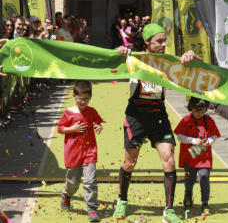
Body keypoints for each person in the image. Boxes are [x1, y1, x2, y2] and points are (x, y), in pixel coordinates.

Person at [113, 24, 203, 223]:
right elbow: (109, 61)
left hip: (159, 115)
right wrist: (119, 51)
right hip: (136, 115)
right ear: (147, 43)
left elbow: (203, 68)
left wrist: (192, 56)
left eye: (165, 41)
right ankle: (122, 199)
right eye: (159, 42)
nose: (163, 45)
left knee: (169, 161)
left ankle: (168, 210)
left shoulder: (168, 62)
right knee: (129, 163)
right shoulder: (133, 58)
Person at [58, 81, 104, 222]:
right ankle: (66, 194)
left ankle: (92, 208)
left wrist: (98, 127)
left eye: (86, 99)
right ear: (74, 96)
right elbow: (60, 129)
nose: (83, 101)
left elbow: (97, 122)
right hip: (73, 153)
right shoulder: (68, 112)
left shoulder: (92, 111)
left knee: (90, 181)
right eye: (80, 98)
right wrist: (73, 129)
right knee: (73, 182)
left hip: (89, 151)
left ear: (90, 97)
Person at [174, 97, 220, 216]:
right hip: (189, 158)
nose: (199, 114)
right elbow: (179, 136)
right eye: (196, 111)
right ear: (190, 108)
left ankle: (205, 203)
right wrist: (193, 140)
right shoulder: (186, 120)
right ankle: (188, 194)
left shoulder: (209, 120)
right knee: (189, 180)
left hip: (204, 157)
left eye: (202, 111)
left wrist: (209, 141)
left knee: (204, 178)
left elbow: (215, 134)